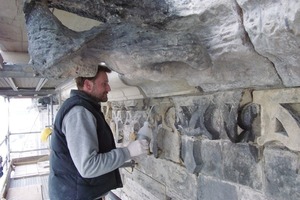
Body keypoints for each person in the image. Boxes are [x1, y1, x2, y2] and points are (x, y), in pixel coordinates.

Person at [48, 65, 149, 200]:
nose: (109, 88)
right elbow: (88, 166)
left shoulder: (86, 108)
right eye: (104, 84)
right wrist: (128, 152)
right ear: (88, 85)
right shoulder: (79, 113)